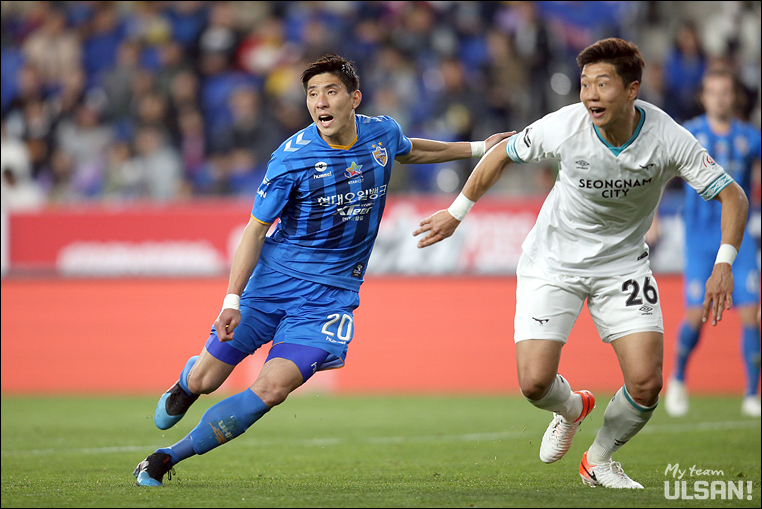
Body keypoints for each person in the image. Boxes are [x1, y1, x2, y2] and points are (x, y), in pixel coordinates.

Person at [133, 54, 513, 487]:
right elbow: (255, 230)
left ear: (354, 98)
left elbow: (410, 149)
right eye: (312, 94)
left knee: (272, 390)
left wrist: (480, 148)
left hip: (329, 299)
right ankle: (188, 384)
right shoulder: (291, 158)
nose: (320, 102)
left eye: (330, 91)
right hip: (272, 285)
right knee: (207, 378)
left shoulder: (382, 133)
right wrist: (231, 300)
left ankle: (165, 458)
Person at [414, 38, 749, 489]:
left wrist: (724, 263)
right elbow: (502, 152)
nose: (590, 94)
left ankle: (599, 459)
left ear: (632, 90)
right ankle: (572, 408)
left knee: (646, 383)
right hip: (553, 261)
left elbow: (733, 195)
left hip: (623, 266)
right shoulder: (565, 125)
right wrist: (457, 213)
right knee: (534, 383)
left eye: (602, 84)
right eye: (585, 84)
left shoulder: (668, 137)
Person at [662, 69, 761, 418]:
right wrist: (652, 215)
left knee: (751, 313)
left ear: (734, 97)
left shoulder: (750, 138)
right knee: (696, 314)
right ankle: (678, 379)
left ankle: (752, 394)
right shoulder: (689, 133)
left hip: (738, 237)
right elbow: (662, 172)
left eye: (725, 91)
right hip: (699, 238)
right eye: (713, 92)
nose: (719, 98)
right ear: (703, 97)